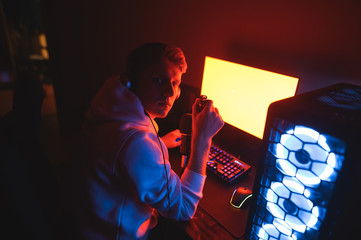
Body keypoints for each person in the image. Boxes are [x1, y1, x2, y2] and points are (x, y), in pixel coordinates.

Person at [74, 42, 224, 239]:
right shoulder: (137, 143)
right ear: (132, 82)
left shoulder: (108, 108)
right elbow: (183, 208)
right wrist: (203, 139)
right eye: (158, 80)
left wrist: (159, 142)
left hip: (90, 226)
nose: (170, 93)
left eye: (175, 83)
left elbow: (122, 153)